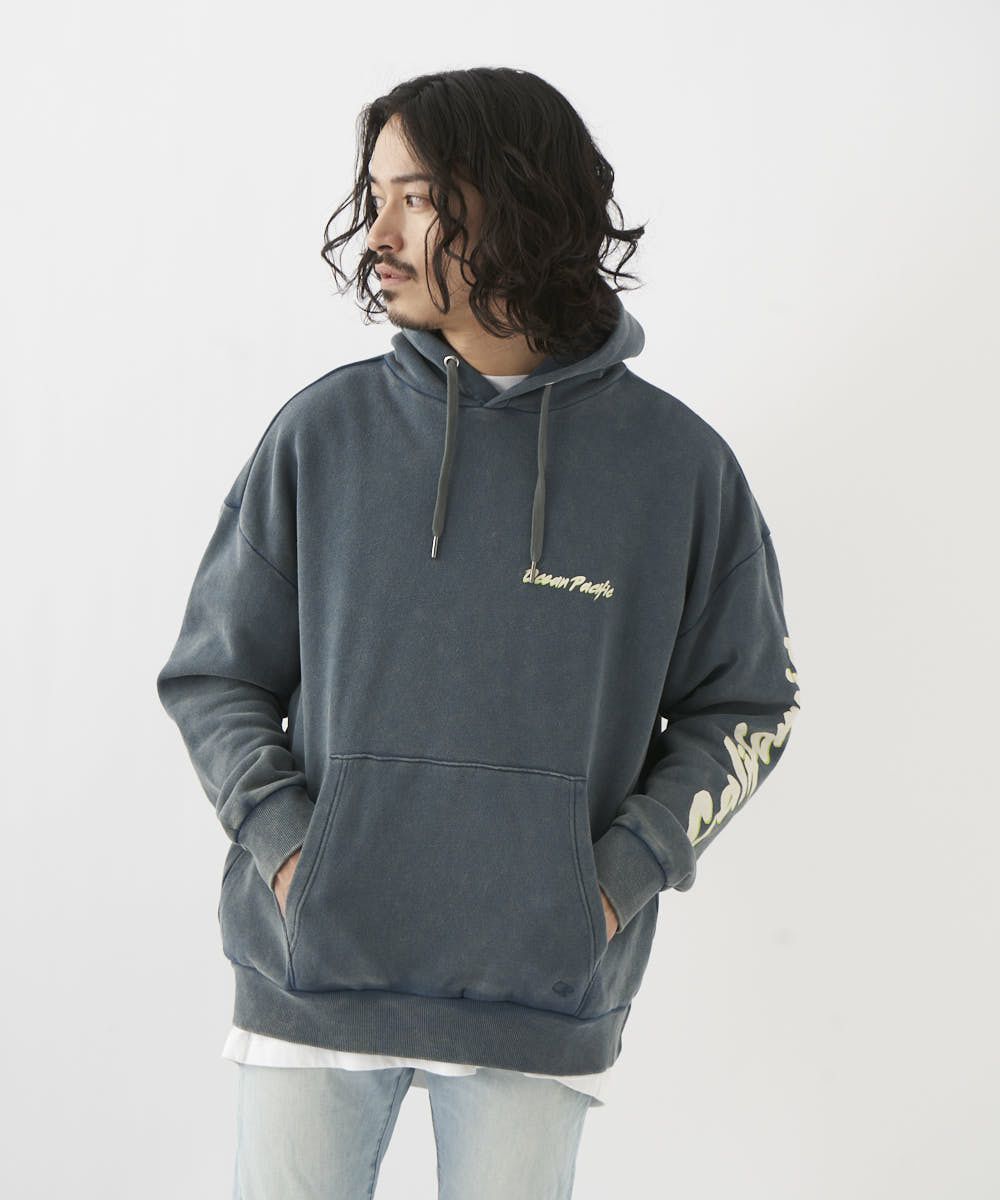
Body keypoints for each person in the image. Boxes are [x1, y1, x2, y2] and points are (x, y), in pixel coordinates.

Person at [156, 66, 803, 1200]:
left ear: (516, 201)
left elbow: (749, 707)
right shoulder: (323, 435)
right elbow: (214, 676)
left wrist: (611, 883)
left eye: (415, 198)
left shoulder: (677, 471)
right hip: (313, 984)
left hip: (537, 1001)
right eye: (374, 197)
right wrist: (296, 854)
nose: (378, 235)